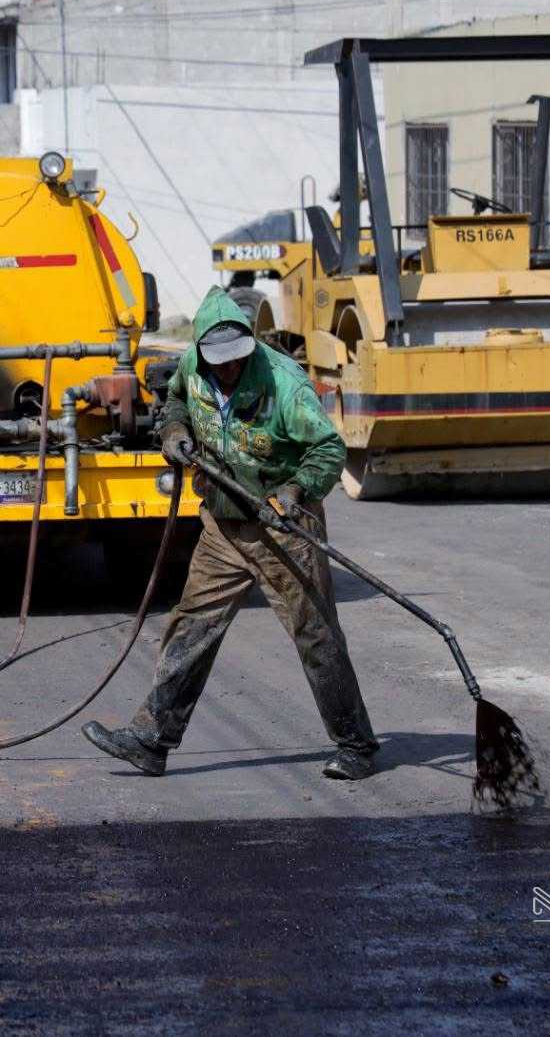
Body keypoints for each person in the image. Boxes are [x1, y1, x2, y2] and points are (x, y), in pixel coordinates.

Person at [82, 287, 380, 780]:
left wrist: (294, 491)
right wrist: (174, 434)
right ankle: (152, 739)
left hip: (282, 527)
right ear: (199, 349)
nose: (228, 370)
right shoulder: (192, 368)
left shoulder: (284, 383)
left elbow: (327, 451)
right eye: (217, 362)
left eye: (236, 360)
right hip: (223, 523)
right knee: (193, 624)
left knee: (315, 634)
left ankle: (356, 746)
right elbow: (175, 403)